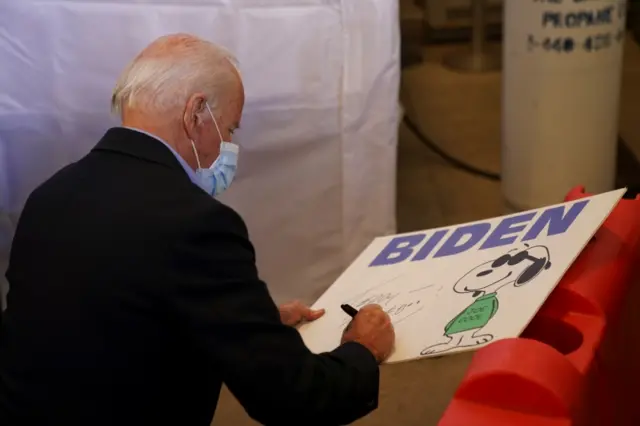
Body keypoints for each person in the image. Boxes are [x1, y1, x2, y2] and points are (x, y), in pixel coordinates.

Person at [0, 34, 395, 426]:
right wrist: (361, 350)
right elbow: (292, 397)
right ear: (196, 114)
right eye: (231, 129)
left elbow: (104, 311)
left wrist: (245, 320)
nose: (228, 146)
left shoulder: (50, 195)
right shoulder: (195, 223)